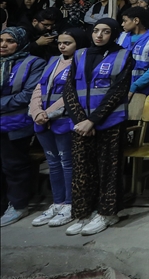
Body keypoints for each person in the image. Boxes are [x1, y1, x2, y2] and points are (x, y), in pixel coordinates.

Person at [62, 18, 133, 236]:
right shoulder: (81, 54)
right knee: (83, 169)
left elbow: (118, 91)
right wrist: (80, 120)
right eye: (95, 31)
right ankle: (83, 214)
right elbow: (69, 89)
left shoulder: (123, 55)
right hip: (81, 123)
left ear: (113, 34)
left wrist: (93, 120)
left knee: (107, 170)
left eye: (105, 31)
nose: (99, 35)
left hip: (109, 122)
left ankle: (107, 213)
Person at [29, 28, 88, 227]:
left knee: (67, 163)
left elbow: (71, 94)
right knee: (52, 164)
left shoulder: (80, 62)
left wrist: (49, 113)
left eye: (68, 43)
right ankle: (58, 202)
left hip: (62, 119)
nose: (62, 46)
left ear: (78, 44)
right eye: (60, 43)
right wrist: (36, 110)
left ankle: (70, 204)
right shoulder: (53, 61)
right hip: (42, 120)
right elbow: (39, 87)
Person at [0, 26, 46, 227]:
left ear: (21, 42)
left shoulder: (34, 63)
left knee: (14, 166)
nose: (3, 45)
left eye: (10, 41)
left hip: (16, 123)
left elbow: (27, 95)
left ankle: (18, 205)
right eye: (1, 40)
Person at [117, 7, 149, 97]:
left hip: (145, 90)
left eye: (125, 21)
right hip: (122, 88)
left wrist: (135, 86)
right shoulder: (122, 37)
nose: (122, 24)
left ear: (136, 20)